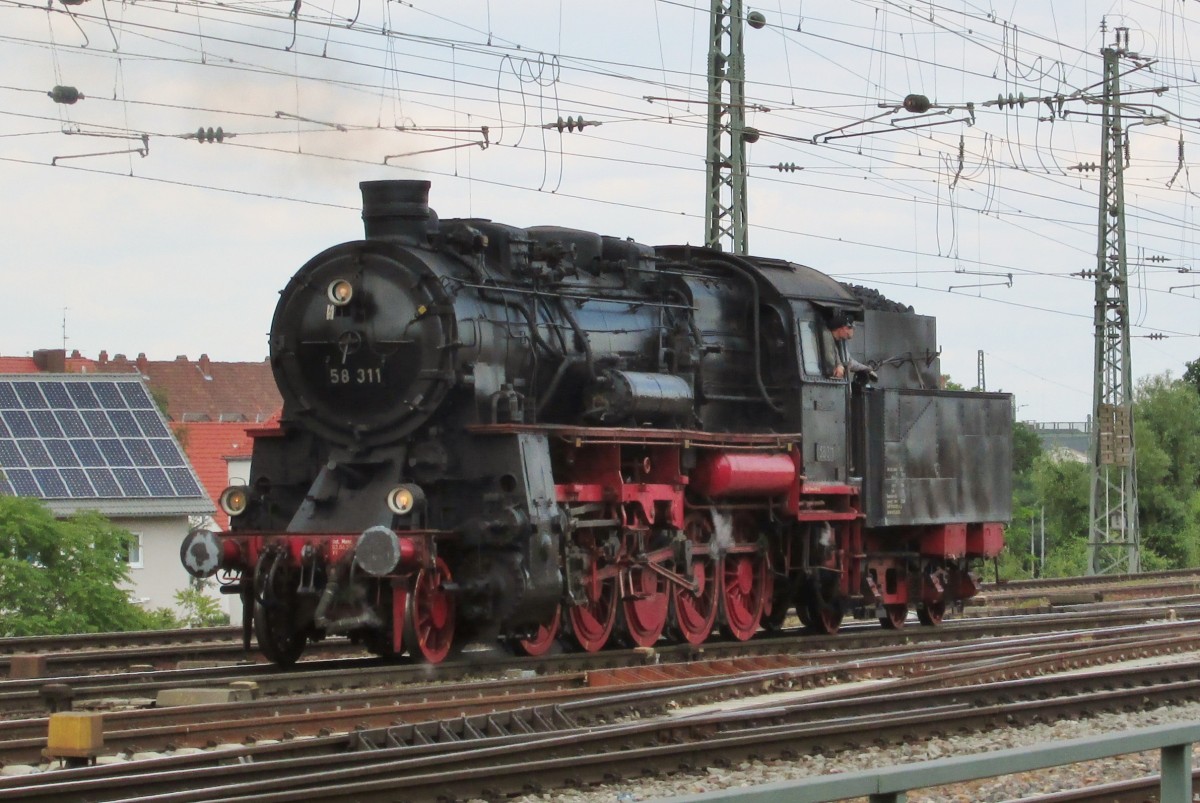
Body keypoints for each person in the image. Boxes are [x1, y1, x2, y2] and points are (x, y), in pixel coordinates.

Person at [826, 312, 878, 382]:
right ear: (844, 328)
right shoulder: (827, 340)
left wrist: (867, 369)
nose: (853, 331)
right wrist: (838, 366)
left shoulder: (838, 343)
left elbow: (849, 362)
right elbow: (830, 360)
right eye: (852, 328)